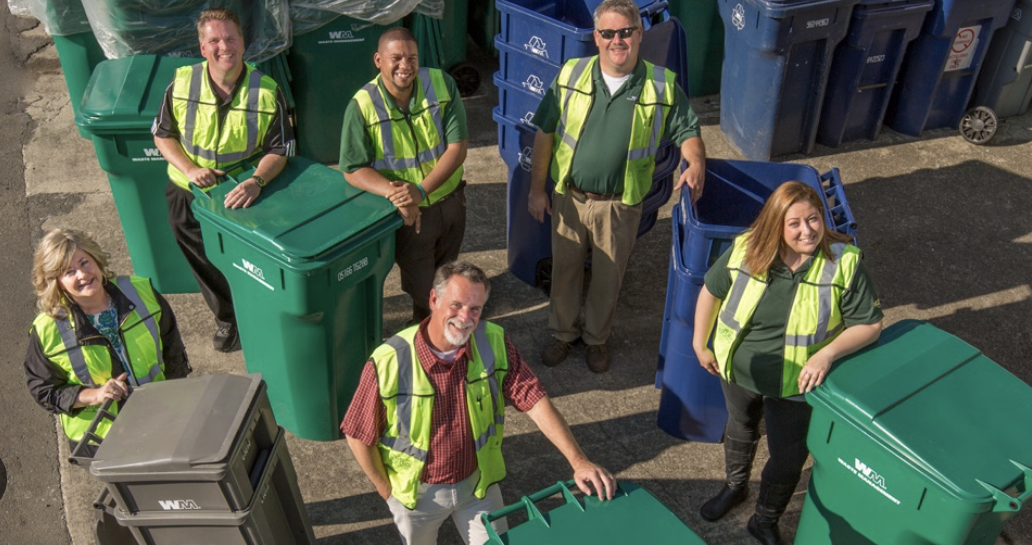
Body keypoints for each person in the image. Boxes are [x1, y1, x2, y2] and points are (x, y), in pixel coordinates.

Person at [342, 261, 615, 545]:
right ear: (434, 300)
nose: (465, 318)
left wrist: (579, 460)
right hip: (416, 497)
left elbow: (534, 399)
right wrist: (386, 492)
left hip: (478, 486)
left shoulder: (493, 340)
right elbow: (357, 433)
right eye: (456, 305)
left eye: (475, 309)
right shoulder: (389, 360)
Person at [693, 182, 883, 545]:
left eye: (813, 219)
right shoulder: (746, 249)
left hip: (798, 385)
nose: (807, 230)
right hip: (739, 371)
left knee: (788, 457)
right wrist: (700, 344)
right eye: (794, 223)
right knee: (740, 426)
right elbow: (711, 292)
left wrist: (827, 354)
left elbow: (870, 325)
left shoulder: (843, 262)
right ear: (776, 224)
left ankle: (764, 519)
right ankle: (735, 488)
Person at [528, 0, 706, 373]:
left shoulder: (661, 84)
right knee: (565, 272)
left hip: (619, 205)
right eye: (608, 33)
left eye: (626, 31)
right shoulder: (571, 74)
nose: (617, 40)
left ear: (639, 34)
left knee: (609, 278)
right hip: (570, 198)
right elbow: (544, 132)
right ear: (596, 38)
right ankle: (562, 334)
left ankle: (596, 339)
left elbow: (687, 129)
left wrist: (696, 161)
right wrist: (537, 189)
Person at [152, 7, 294, 352]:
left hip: (242, 195)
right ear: (202, 48)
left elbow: (283, 148)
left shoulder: (266, 89)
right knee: (204, 261)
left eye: (231, 38)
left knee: (250, 263)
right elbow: (162, 135)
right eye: (214, 40)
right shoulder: (182, 83)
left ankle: (258, 314)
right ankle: (227, 317)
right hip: (190, 194)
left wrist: (257, 181)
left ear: (243, 43)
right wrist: (189, 170)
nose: (223, 46)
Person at [339, 27, 468, 324]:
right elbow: (352, 169)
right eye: (395, 58)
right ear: (378, 60)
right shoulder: (362, 106)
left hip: (451, 202)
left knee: (448, 275)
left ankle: (441, 327)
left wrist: (420, 190)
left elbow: (457, 148)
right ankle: (424, 327)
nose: (405, 65)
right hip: (410, 216)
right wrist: (397, 194)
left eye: (412, 57)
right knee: (423, 288)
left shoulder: (441, 84)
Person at [25, 229, 190, 457]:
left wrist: (178, 400)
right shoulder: (46, 330)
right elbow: (44, 390)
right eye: (69, 272)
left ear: (97, 260)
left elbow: (173, 351)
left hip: (160, 417)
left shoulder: (141, 292)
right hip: (105, 439)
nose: (82, 275)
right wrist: (94, 394)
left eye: (85, 262)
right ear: (57, 283)